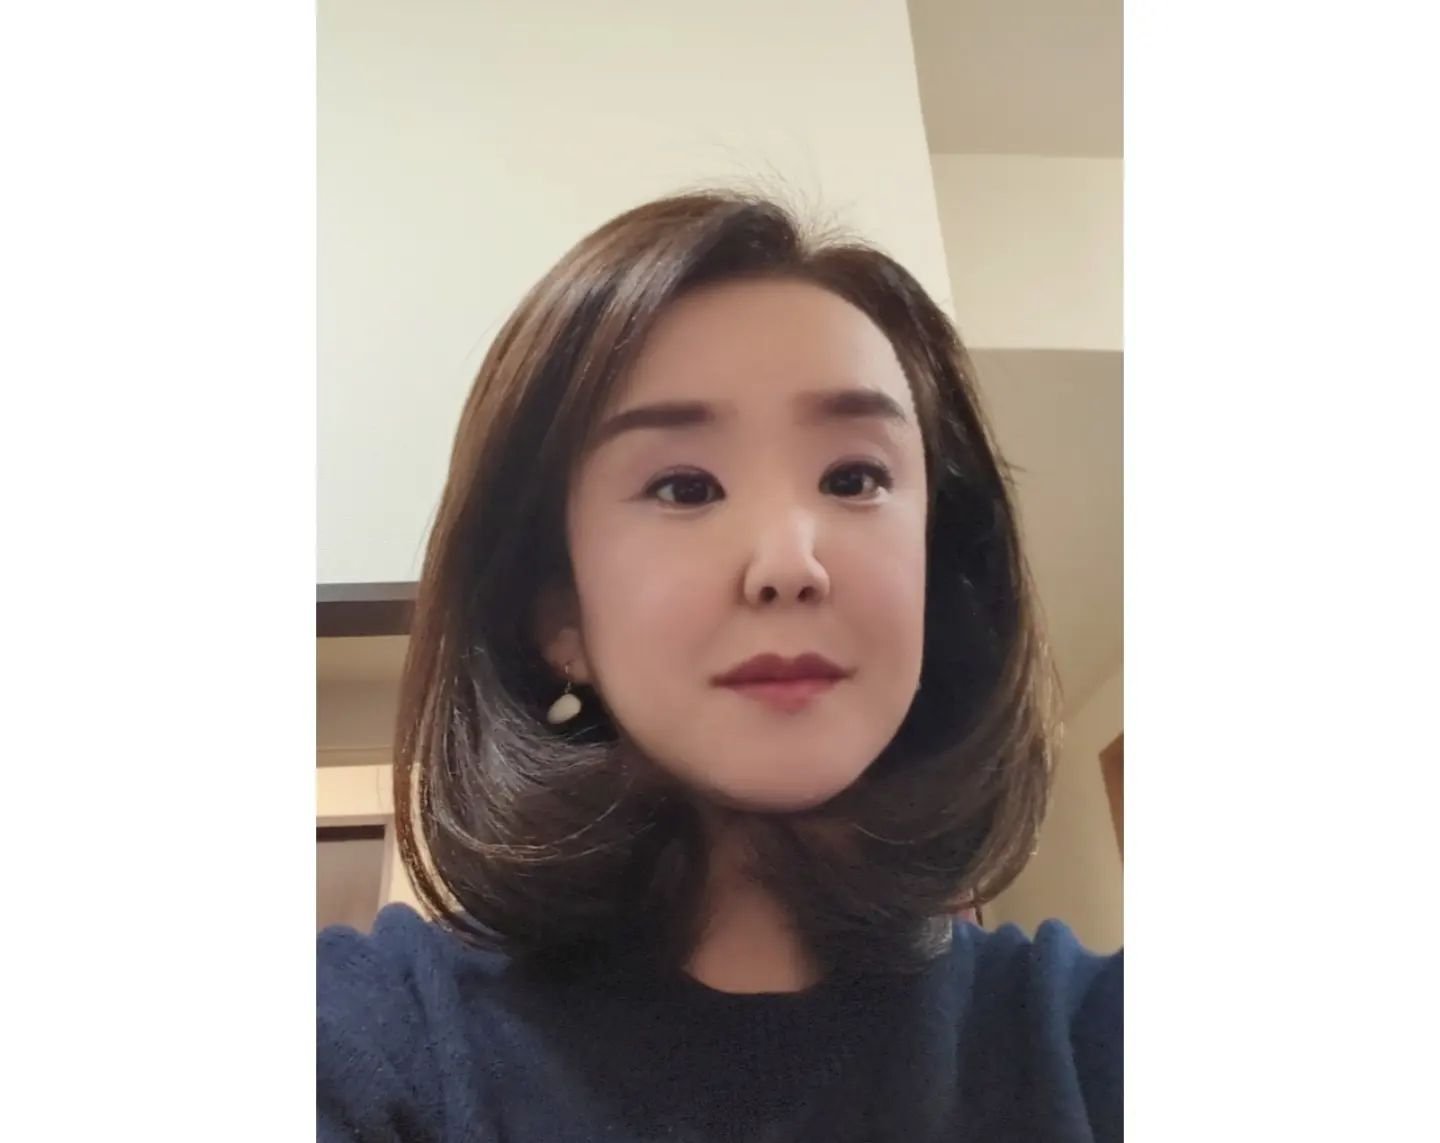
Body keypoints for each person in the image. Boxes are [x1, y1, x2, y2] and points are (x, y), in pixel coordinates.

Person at [317, 189, 1122, 1142]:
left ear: (936, 574)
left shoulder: (1094, 1042)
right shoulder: (368, 1040)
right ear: (559, 614)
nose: (790, 562)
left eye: (854, 478)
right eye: (684, 487)